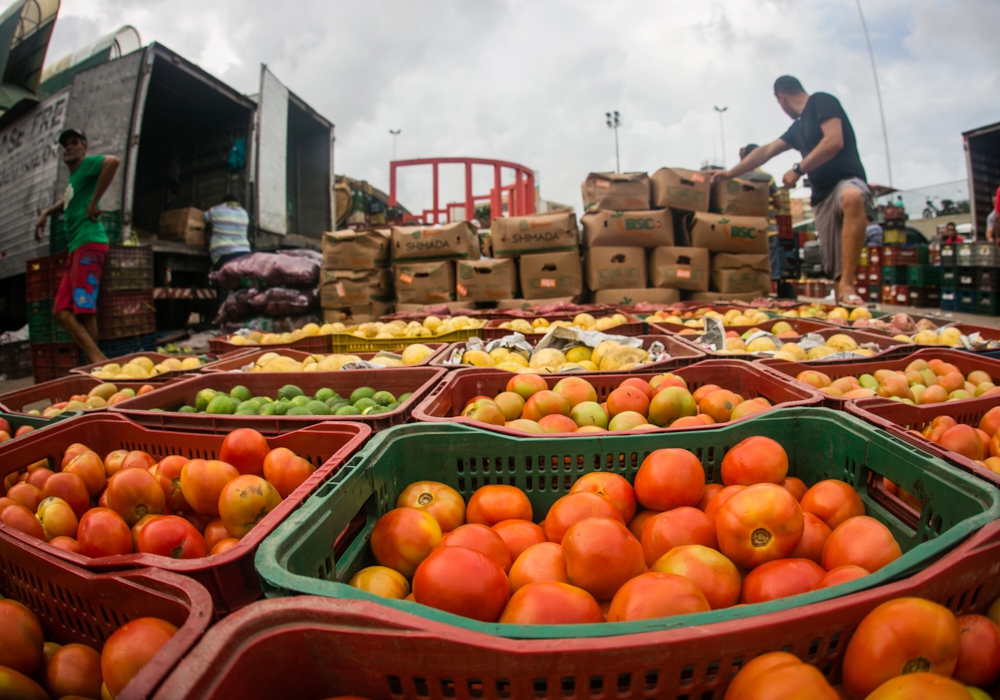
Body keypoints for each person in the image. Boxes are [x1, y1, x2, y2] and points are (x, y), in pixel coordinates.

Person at [714, 75, 870, 305]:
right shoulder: (797, 129)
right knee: (834, 266)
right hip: (821, 196)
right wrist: (728, 174)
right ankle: (844, 301)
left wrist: (798, 169)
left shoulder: (822, 101)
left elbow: (833, 141)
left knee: (852, 195)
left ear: (782, 98)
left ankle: (848, 283)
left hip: (846, 181)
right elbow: (766, 151)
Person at [35, 129, 120, 363]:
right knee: (61, 311)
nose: (69, 147)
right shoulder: (75, 179)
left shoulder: (87, 165)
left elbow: (113, 162)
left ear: (84, 147)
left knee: (83, 308)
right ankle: (98, 360)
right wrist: (46, 212)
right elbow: (67, 201)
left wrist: (94, 203)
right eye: (66, 145)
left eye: (75, 143)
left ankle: (98, 365)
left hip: (90, 242)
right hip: (77, 247)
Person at [737, 144, 782, 283]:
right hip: (768, 229)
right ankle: (772, 294)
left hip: (745, 230)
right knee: (771, 267)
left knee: (749, 264)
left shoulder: (737, 177)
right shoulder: (767, 178)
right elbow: (779, 203)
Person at [204, 193, 251, 304]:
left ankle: (225, 316)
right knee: (240, 286)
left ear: (224, 202)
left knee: (224, 284)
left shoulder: (216, 210)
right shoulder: (244, 213)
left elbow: (203, 217)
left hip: (224, 253)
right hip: (243, 253)